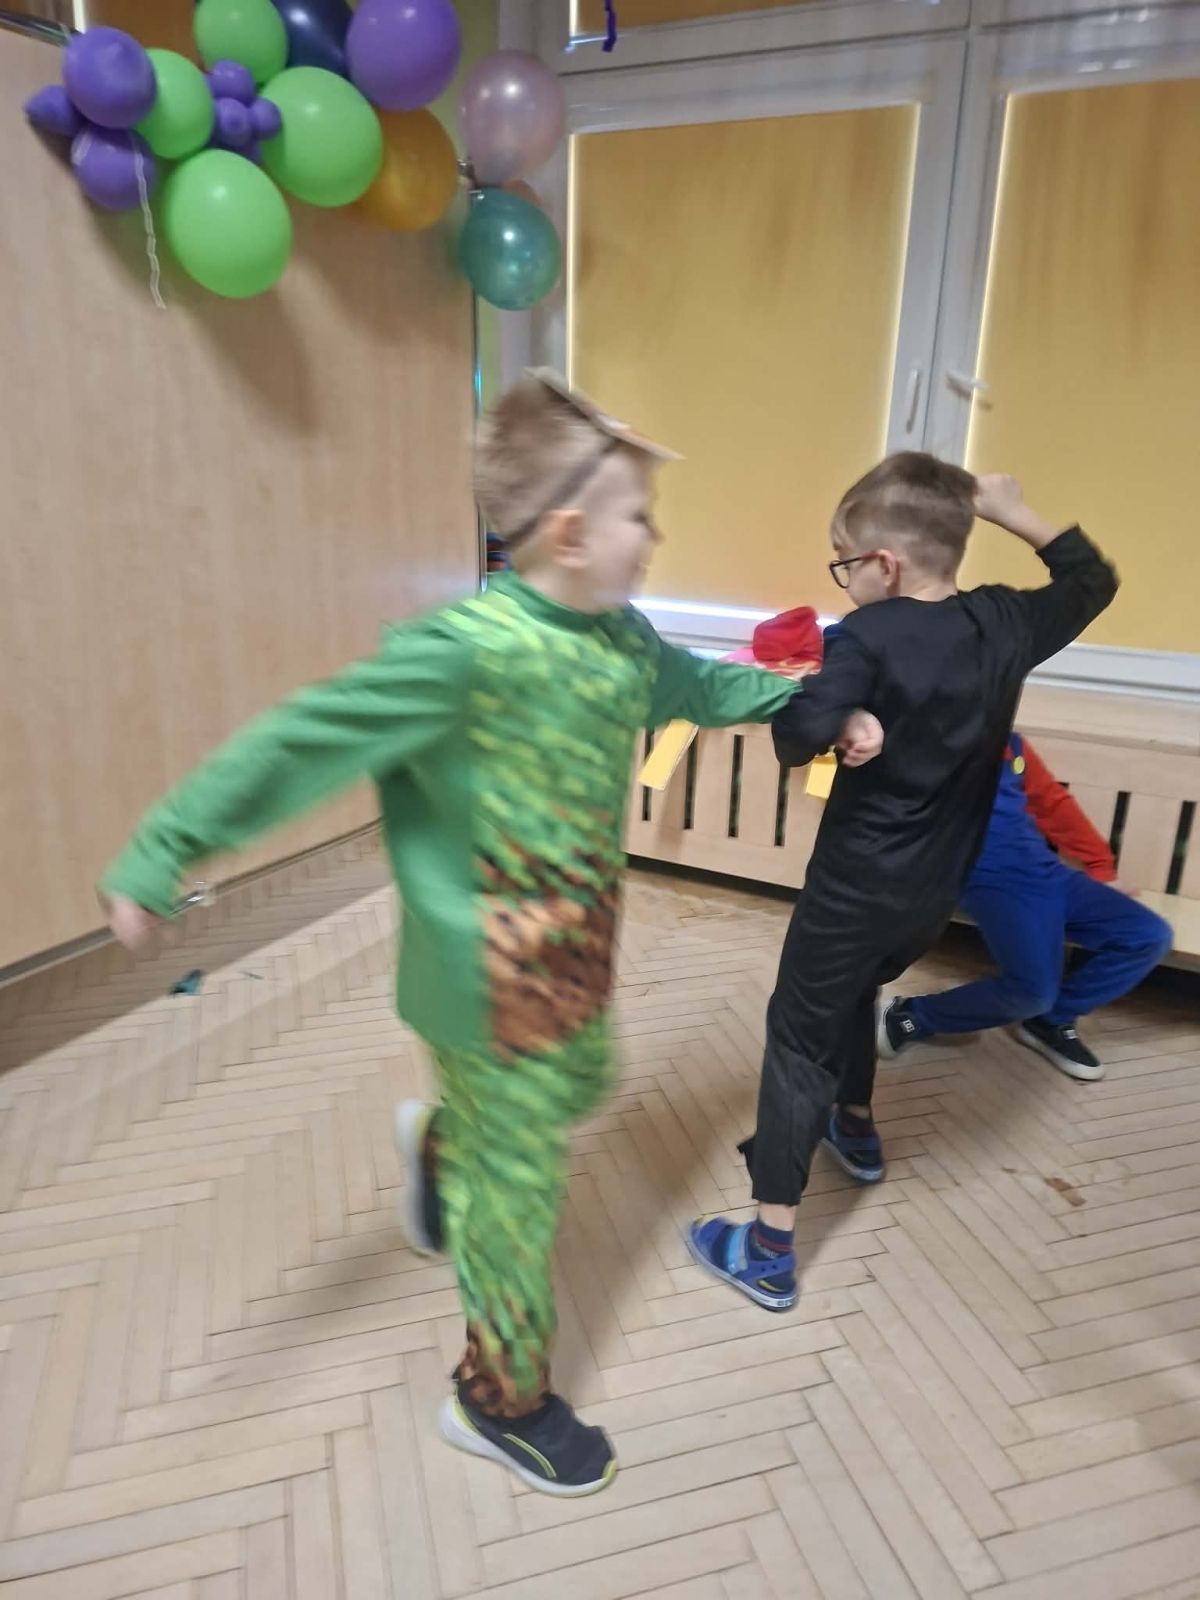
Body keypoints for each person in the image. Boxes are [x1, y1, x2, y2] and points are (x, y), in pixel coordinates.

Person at [100, 372, 878, 1498]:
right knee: (519, 1189)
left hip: (573, 958)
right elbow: (300, 741)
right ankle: (496, 1396)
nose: (655, 535)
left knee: (580, 1088)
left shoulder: (621, 641)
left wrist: (810, 705)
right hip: (479, 983)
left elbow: (702, 689)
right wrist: (162, 848)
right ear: (571, 532)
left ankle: (441, 1146)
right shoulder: (461, 653)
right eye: (639, 515)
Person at [689, 455, 1118, 1313]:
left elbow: (795, 735)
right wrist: (1014, 511)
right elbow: (1090, 580)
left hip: (854, 891)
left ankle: (768, 1250)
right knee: (854, 994)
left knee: (798, 1035)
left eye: (844, 562)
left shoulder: (867, 636)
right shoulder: (1001, 622)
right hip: (933, 894)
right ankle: (854, 1127)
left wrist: (844, 713)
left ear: (884, 564)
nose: (843, 580)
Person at [879, 732, 1173, 1080]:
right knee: (1032, 992)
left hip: (1049, 874)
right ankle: (914, 1015)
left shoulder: (1011, 744)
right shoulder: (924, 744)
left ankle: (1050, 1021)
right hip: (993, 882)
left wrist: (1100, 866)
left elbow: (1052, 804)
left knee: (1148, 936)